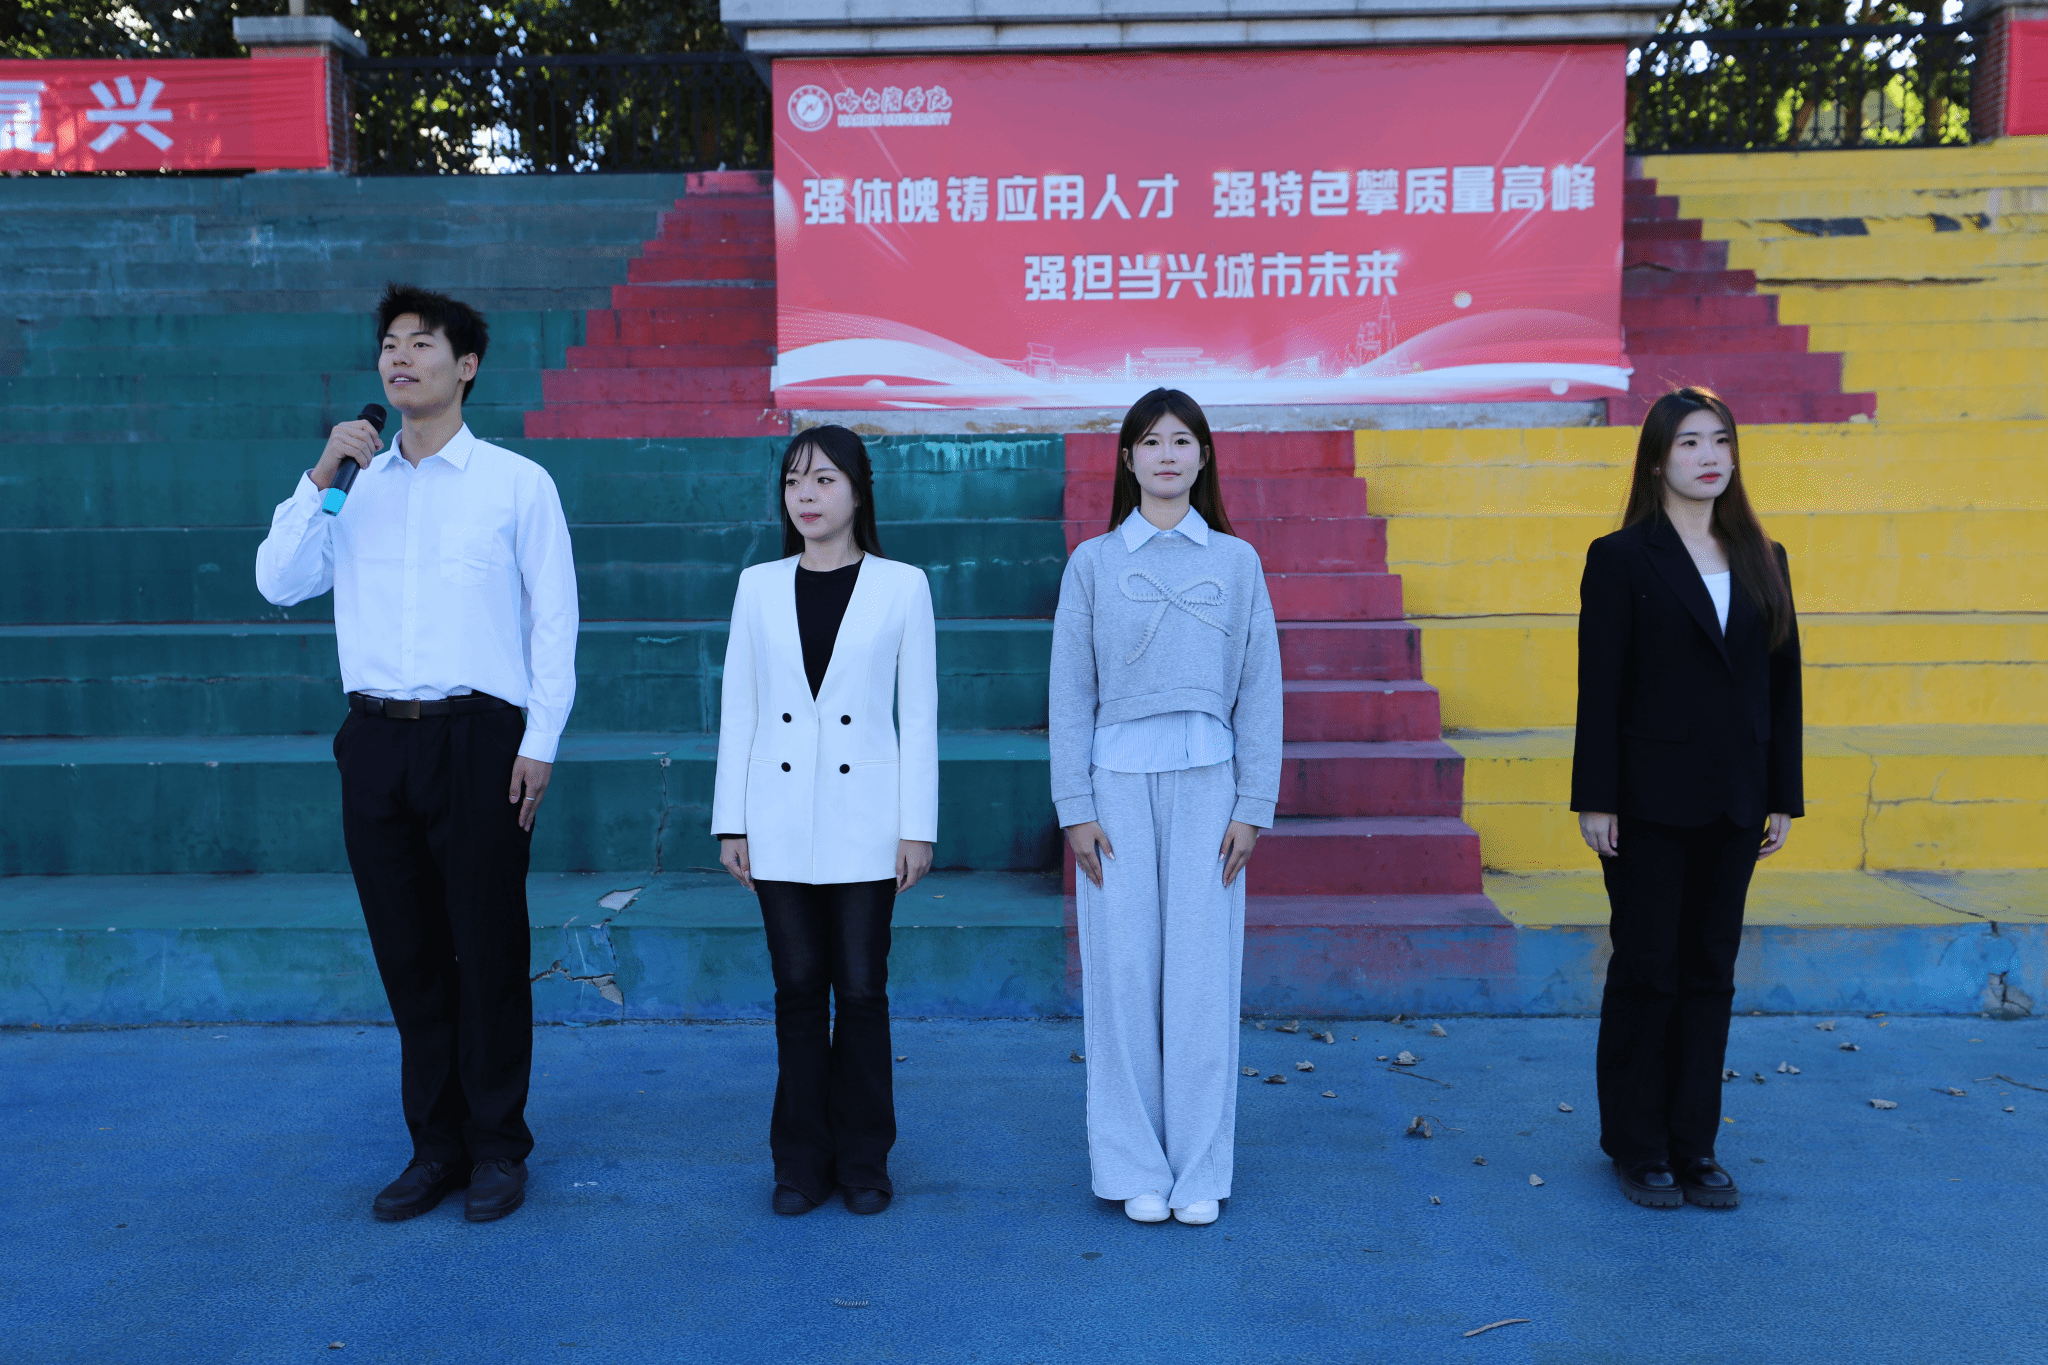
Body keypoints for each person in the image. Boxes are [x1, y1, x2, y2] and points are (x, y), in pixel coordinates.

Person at [254, 283, 578, 1224]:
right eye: (390, 344)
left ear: (466, 366)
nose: (400, 357)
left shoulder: (515, 483)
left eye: (422, 343)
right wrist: (322, 472)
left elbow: (553, 621)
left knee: (488, 945)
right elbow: (279, 581)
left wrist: (541, 740)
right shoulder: (353, 487)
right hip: (375, 741)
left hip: (480, 738)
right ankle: (435, 1146)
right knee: (408, 951)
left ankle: (498, 1146)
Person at [1050, 388, 1282, 1227]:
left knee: (1200, 980)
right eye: (1151, 442)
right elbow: (1070, 690)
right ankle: (1132, 1165)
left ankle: (1197, 1169)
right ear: (1128, 459)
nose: (1167, 455)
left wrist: (1253, 801)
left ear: (1204, 455)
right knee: (1122, 978)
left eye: (1182, 440)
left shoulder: (1237, 562)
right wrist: (1074, 803)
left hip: (1209, 788)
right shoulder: (1093, 563)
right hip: (1114, 790)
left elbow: (1260, 687)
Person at [1571, 385, 1803, 1212]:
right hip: (1646, 800)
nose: (1710, 456)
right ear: (1657, 461)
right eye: (1691, 443)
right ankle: (1637, 1143)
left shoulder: (1765, 555)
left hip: (1737, 801)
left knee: (1711, 970)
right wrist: (1596, 798)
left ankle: (1695, 1143)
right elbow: (1601, 686)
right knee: (1648, 968)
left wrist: (1783, 794)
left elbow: (1783, 683)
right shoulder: (1621, 557)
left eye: (1721, 441)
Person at [711, 425, 938, 1218]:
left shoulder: (902, 585)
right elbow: (739, 708)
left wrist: (917, 826)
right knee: (798, 987)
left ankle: (866, 1159)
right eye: (793, 482)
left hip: (868, 819)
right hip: (775, 817)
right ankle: (801, 1161)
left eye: (823, 480)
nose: (805, 496)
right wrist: (731, 821)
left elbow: (920, 714)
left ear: (858, 490)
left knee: (863, 988)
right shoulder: (758, 586)